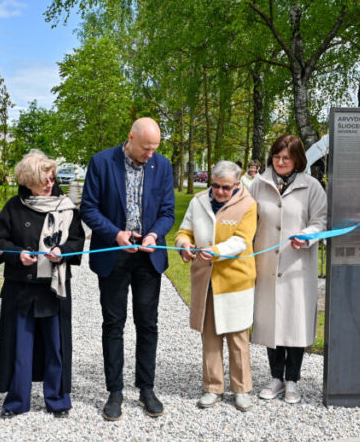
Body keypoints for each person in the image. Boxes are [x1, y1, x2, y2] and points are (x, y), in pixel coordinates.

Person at [80, 117, 175, 421]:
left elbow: (167, 212)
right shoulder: (101, 162)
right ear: (131, 138)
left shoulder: (162, 165)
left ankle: (146, 388)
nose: (150, 154)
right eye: (146, 148)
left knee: (148, 324)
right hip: (114, 254)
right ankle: (115, 391)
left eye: (154, 148)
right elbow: (89, 208)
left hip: (148, 256)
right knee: (114, 323)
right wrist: (115, 234)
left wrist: (153, 235)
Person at [0, 151, 85, 419]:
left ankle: (57, 400)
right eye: (44, 179)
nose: (50, 183)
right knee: (20, 346)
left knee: (56, 346)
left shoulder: (66, 207)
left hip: (55, 289)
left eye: (52, 178)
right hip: (20, 289)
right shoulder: (13, 207)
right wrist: (17, 254)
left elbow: (78, 241)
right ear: (29, 181)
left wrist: (63, 251)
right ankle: (17, 401)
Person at [175, 161, 257, 411]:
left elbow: (242, 241)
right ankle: (213, 387)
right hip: (206, 280)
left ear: (237, 183)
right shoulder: (197, 201)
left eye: (226, 187)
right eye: (216, 186)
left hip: (236, 280)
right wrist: (183, 246)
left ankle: (241, 389)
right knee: (209, 335)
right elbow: (184, 231)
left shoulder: (248, 205)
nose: (220, 192)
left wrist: (216, 251)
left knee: (237, 336)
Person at [251, 135, 327, 404]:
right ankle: (275, 378)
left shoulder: (312, 187)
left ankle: (292, 379)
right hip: (267, 266)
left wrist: (307, 235)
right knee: (271, 321)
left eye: (287, 158)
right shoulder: (258, 185)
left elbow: (321, 220)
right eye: (276, 156)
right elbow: (248, 220)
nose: (280, 162)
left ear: (297, 160)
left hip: (297, 266)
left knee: (295, 322)